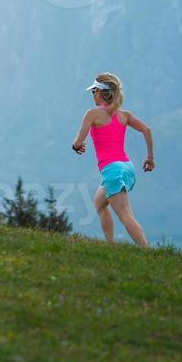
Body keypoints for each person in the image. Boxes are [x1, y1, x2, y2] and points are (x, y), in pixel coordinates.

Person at [71, 73, 154, 247]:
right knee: (99, 203)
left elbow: (78, 142)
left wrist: (77, 146)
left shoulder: (92, 114)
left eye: (93, 91)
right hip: (126, 167)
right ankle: (111, 245)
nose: (92, 95)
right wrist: (149, 158)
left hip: (112, 169)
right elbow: (146, 130)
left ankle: (147, 251)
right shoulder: (124, 115)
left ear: (100, 93)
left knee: (124, 214)